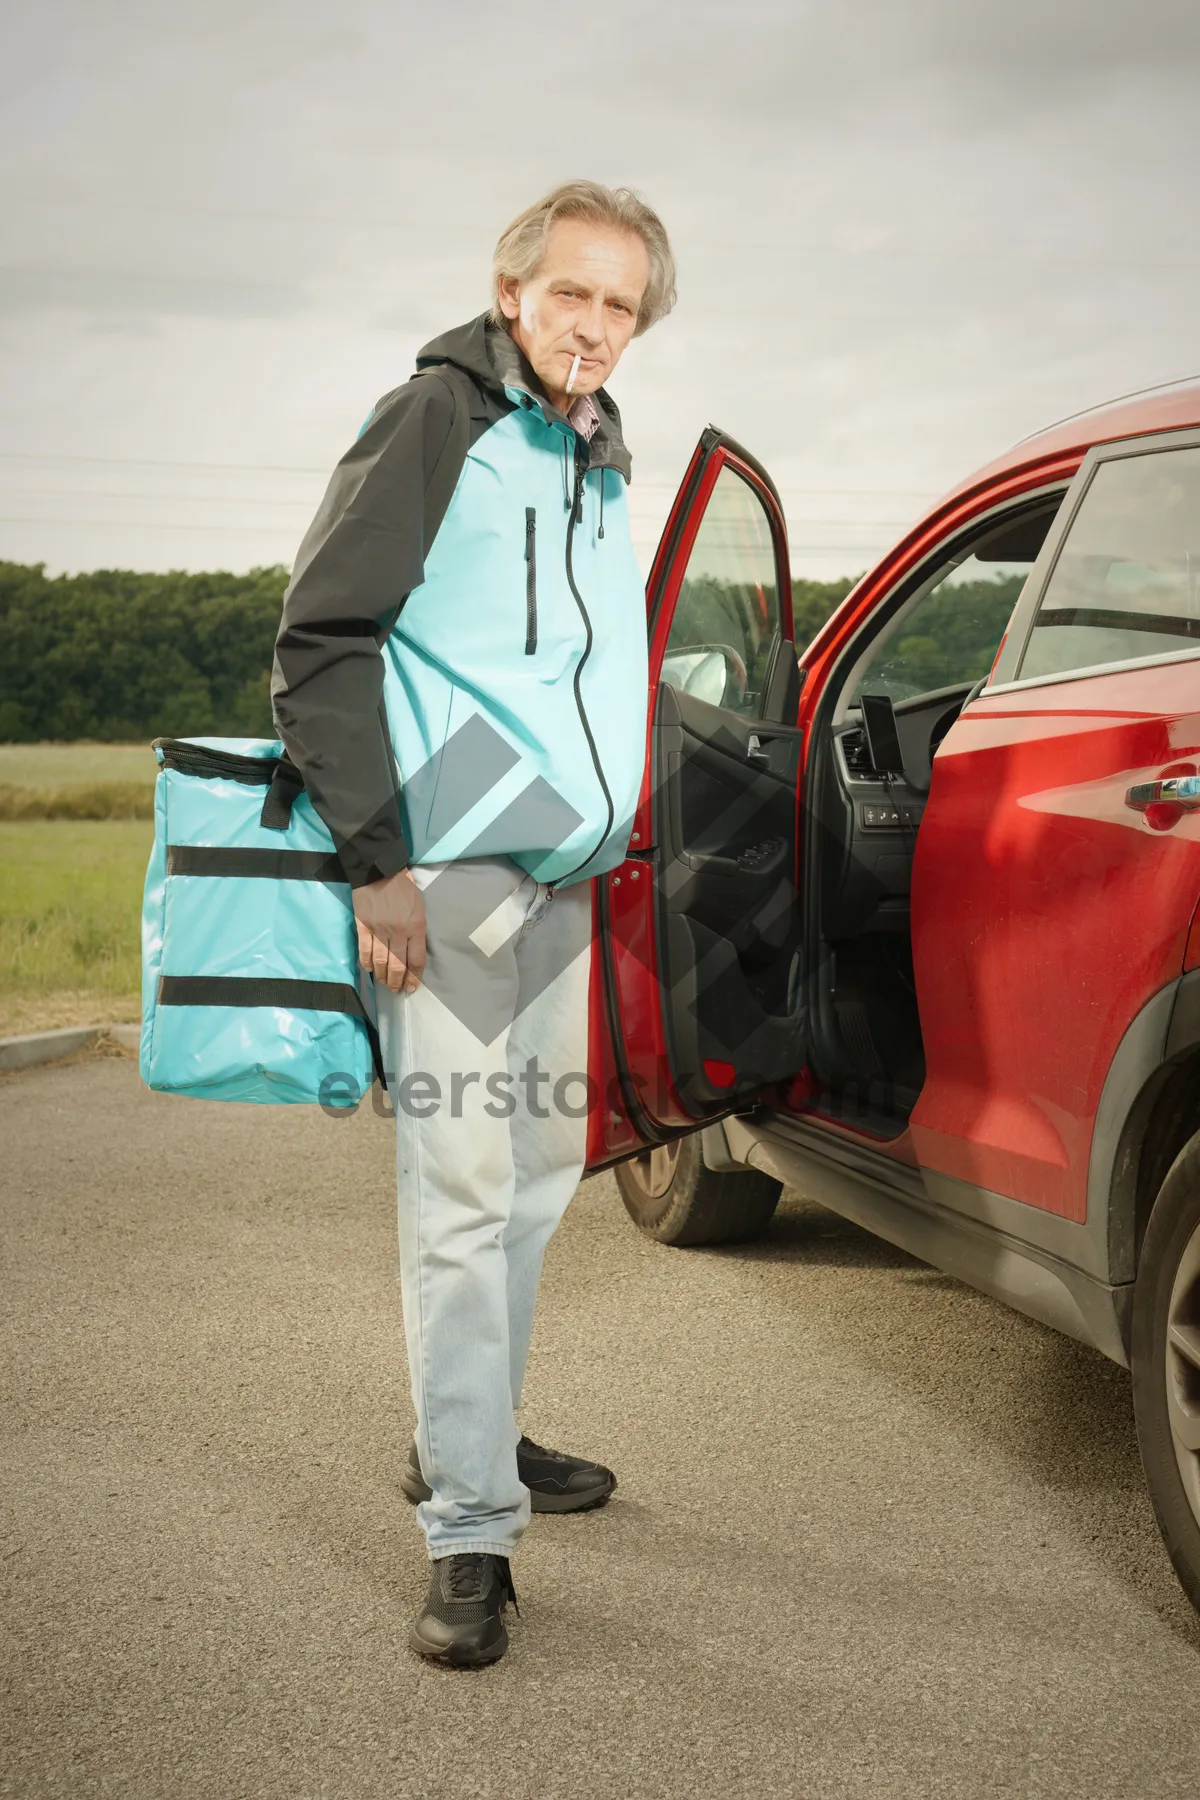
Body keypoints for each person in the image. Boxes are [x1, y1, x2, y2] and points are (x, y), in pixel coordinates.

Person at [271, 180, 676, 1666]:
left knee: (532, 1184)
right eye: (573, 294)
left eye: (622, 305)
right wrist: (377, 860)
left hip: (559, 885)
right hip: (441, 881)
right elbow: (320, 639)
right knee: (456, 1199)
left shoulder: (592, 453)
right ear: (513, 292)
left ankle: (475, 1442)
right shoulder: (436, 417)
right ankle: (466, 1535)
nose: (595, 326)